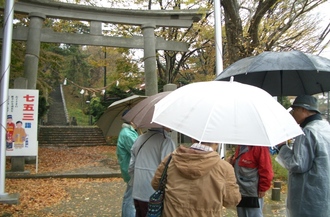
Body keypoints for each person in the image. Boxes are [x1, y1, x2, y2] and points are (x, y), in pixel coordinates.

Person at [151, 140, 241, 217]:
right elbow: (231, 200)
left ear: (193, 138)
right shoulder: (225, 168)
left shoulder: (171, 159)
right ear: (216, 142)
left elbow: (156, 184)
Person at [276, 95, 330, 217]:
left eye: (295, 110)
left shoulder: (307, 132)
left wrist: (282, 147)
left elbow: (297, 164)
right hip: (323, 196)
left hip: (308, 199)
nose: (293, 114)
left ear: (304, 110)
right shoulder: (325, 127)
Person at [128, 127, 176, 217]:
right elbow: (169, 170)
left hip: (137, 190)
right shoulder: (166, 141)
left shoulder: (139, 139)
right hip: (154, 194)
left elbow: (131, 166)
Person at [229, 145, 273, 217]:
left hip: (252, 192)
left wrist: (263, 188)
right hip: (240, 190)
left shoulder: (260, 147)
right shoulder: (241, 146)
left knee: (254, 214)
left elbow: (266, 169)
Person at [116, 110, 139, 217]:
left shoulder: (130, 132)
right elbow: (138, 149)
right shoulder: (127, 134)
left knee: (129, 196)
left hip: (129, 168)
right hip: (130, 170)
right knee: (130, 198)